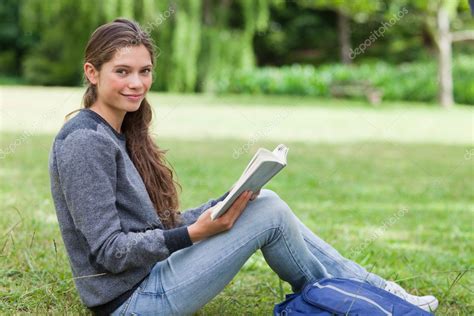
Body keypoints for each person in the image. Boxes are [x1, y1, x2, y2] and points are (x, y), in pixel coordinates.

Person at [48, 18, 438, 315]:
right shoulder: (85, 142)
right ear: (92, 73)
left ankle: (365, 292)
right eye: (122, 71)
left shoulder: (120, 132)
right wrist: (192, 235)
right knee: (268, 211)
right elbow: (109, 252)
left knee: (262, 198)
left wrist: (226, 202)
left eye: (144, 71)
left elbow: (152, 225)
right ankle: (361, 297)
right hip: (130, 301)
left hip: (151, 275)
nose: (137, 83)